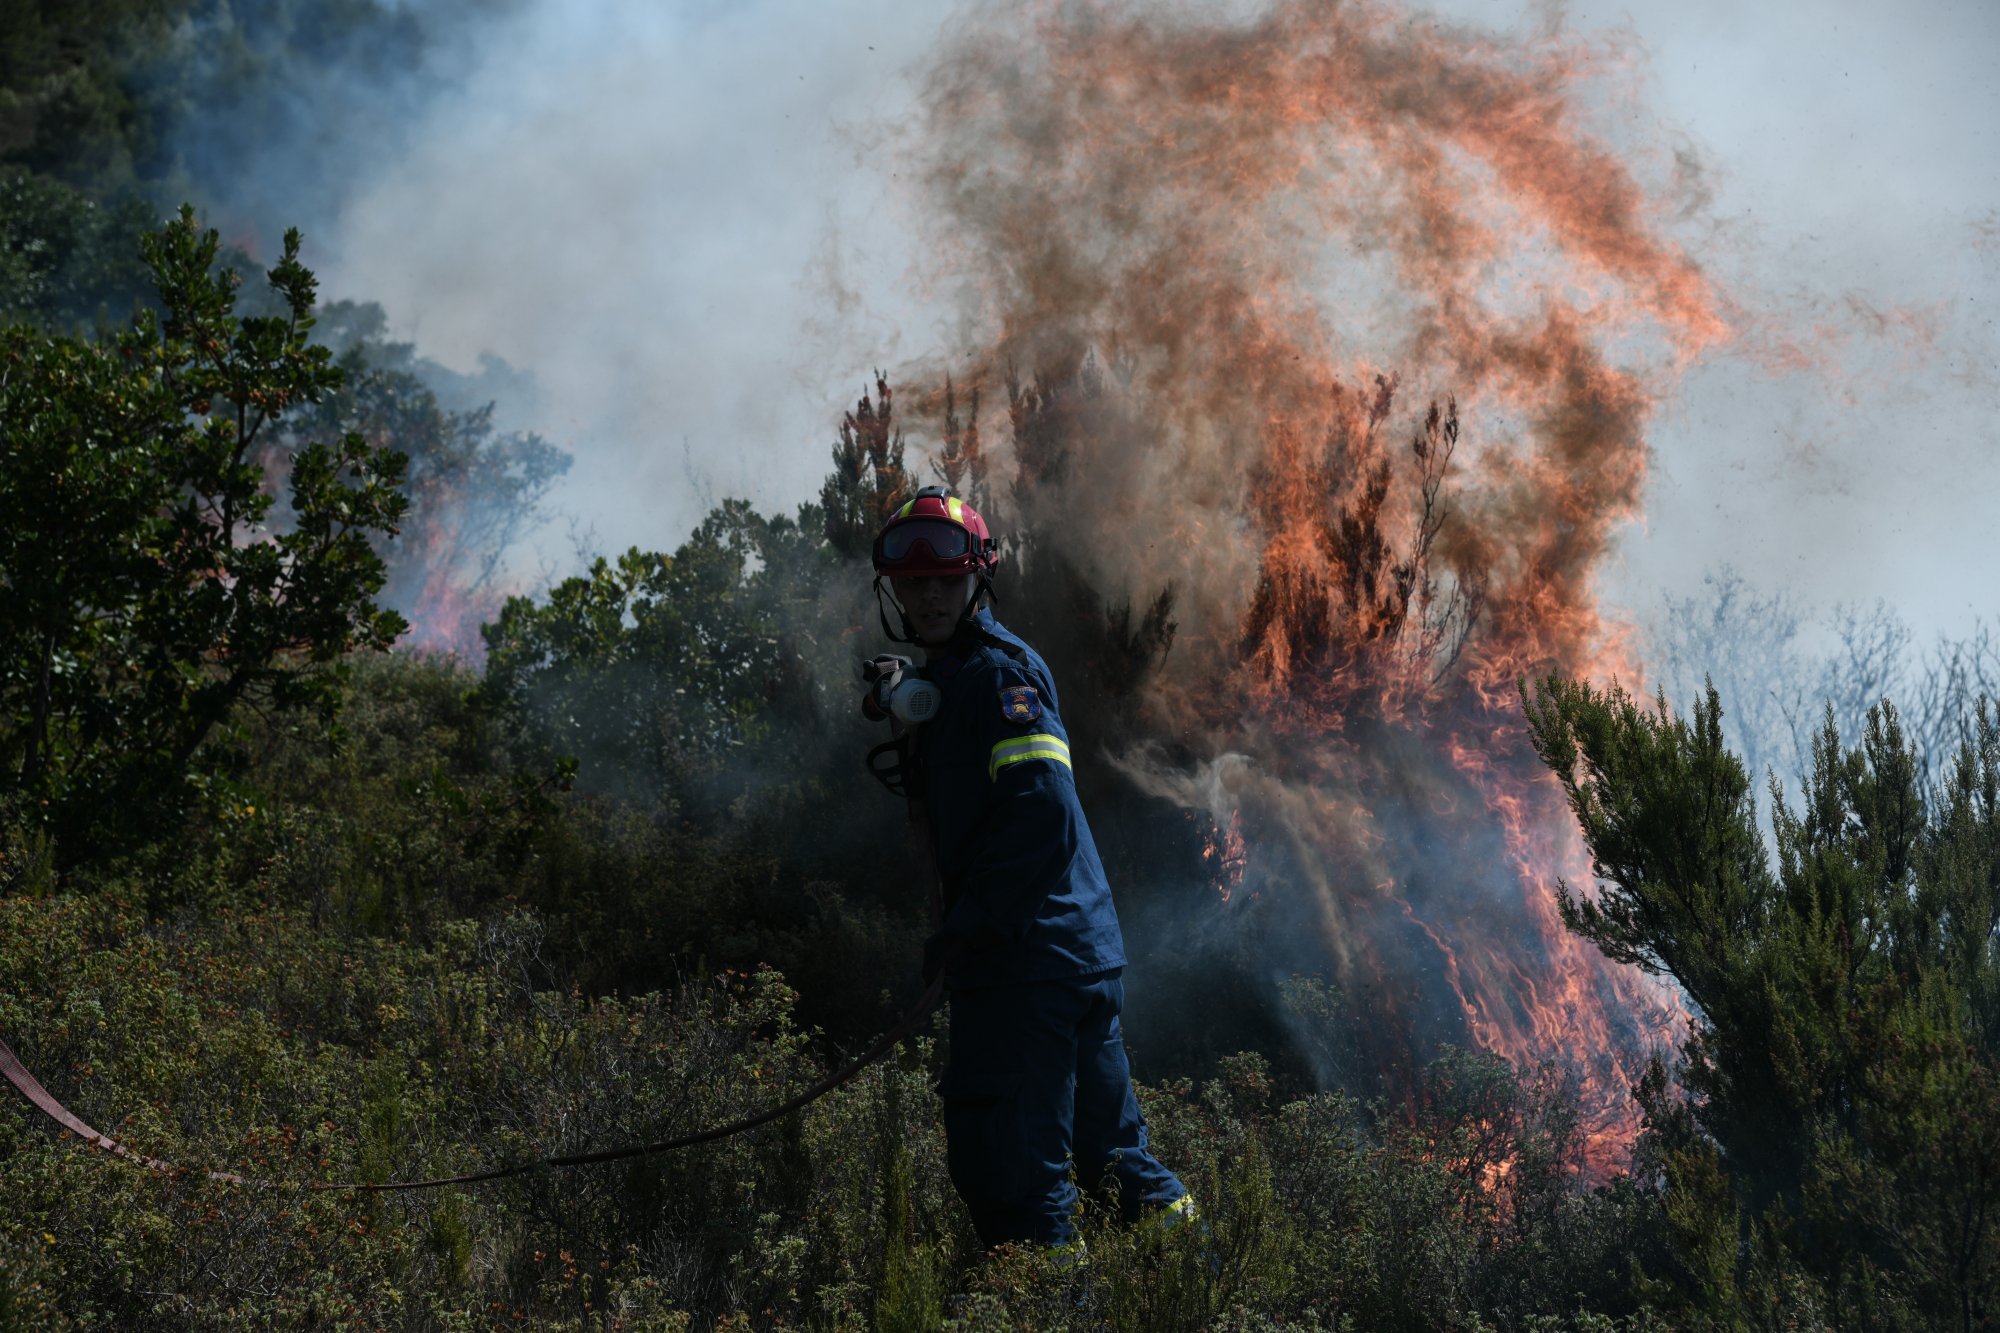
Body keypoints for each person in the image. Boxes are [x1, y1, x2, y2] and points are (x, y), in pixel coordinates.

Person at [861, 485, 1190, 1253]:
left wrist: (969, 925)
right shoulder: (964, 674)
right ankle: (1210, 1278)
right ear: (896, 590)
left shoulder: (997, 677)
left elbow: (1043, 811)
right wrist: (909, 698)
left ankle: (1052, 1304)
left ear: (978, 577)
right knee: (1115, 1164)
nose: (930, 596)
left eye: (946, 580)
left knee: (1017, 1173)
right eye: (914, 583)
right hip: (1074, 953)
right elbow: (961, 739)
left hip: (1024, 966)